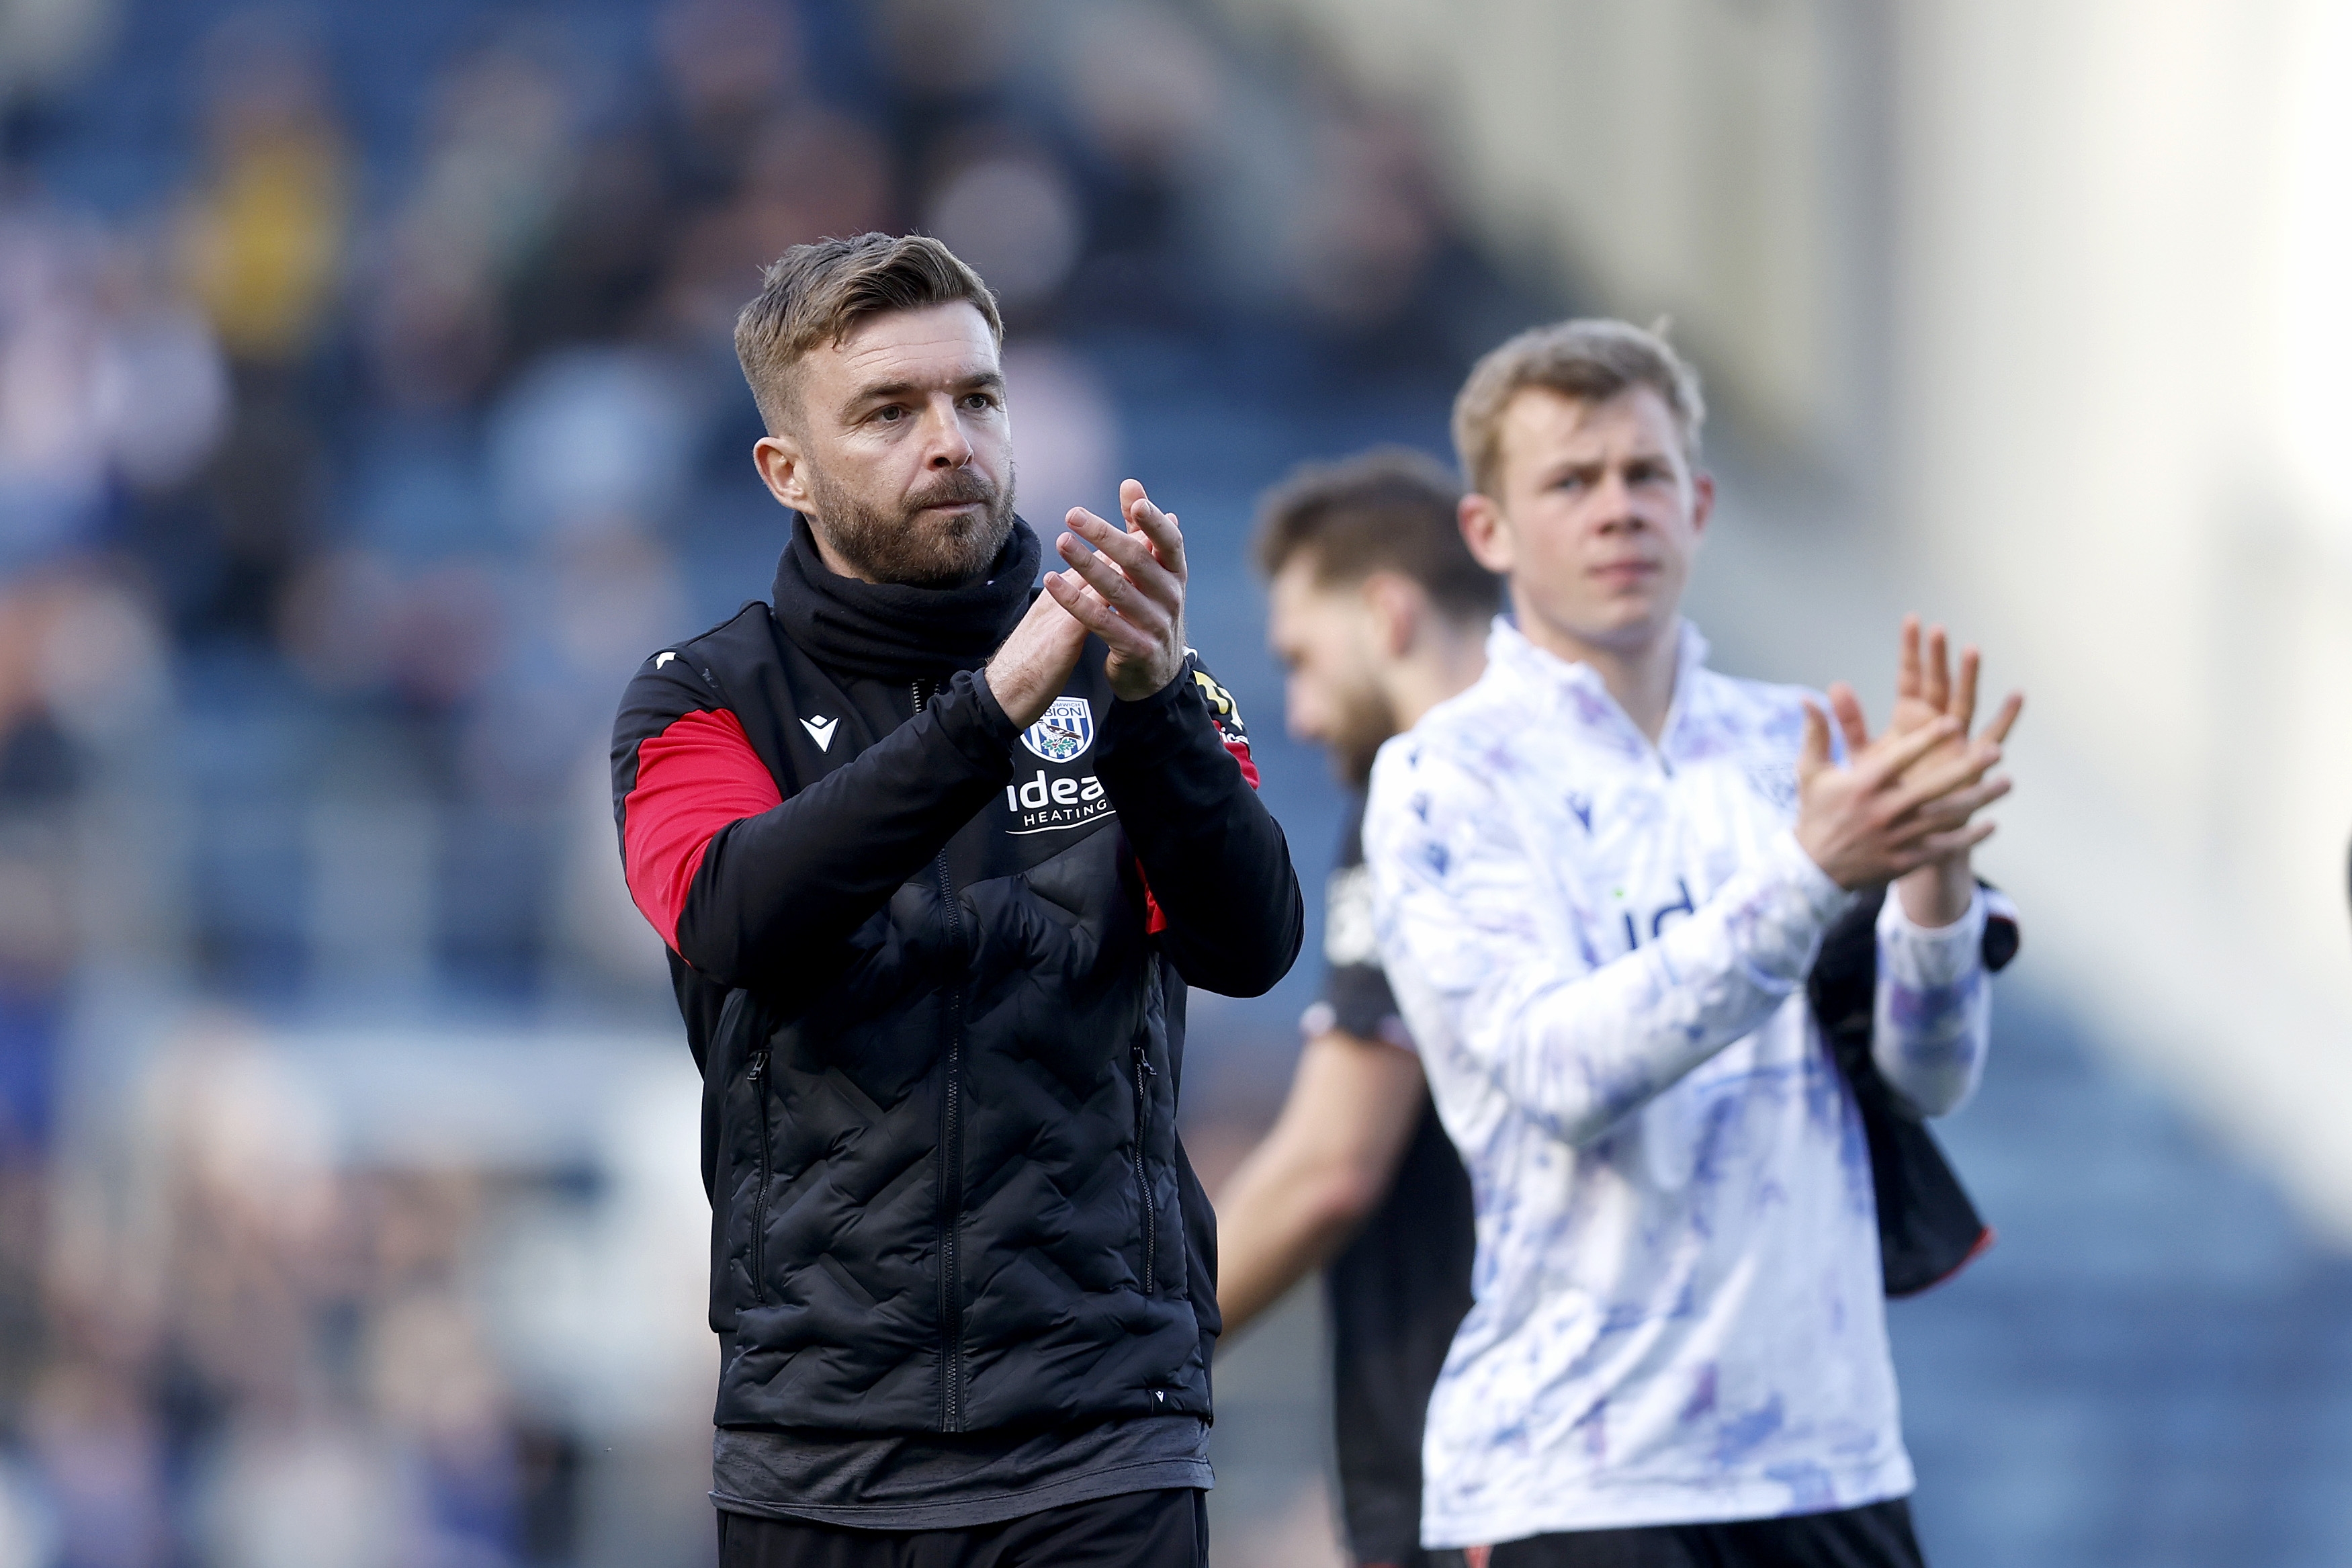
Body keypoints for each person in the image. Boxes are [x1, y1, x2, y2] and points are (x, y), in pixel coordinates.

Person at [609, 232, 1303, 1567]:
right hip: (820, 1453)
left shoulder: (1139, 674)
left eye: (975, 398)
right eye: (888, 409)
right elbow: (733, 915)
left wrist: (1150, 708)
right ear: (784, 470)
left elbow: (1250, 945)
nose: (950, 439)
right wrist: (989, 714)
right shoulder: (698, 700)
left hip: (1105, 1436)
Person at [1361, 319, 2023, 1567]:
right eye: (1571, 480)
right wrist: (1811, 874)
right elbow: (1562, 1073)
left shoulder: (1800, 750)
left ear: (1700, 503)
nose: (1618, 509)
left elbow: (1929, 1079)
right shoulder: (1443, 777)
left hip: (1829, 1454)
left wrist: (1931, 887)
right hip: (1579, 1475)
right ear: (1488, 531)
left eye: (1645, 475)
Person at [1211, 449, 1490, 1568]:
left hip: (1487, 1455)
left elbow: (1332, 1163)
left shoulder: (1427, 791)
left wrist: (1111, 1372)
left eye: (1303, 658)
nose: (1300, 710)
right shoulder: (1614, 776)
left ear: (1385, 612)